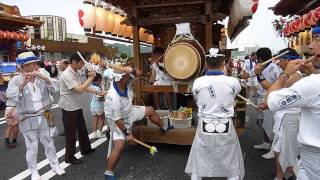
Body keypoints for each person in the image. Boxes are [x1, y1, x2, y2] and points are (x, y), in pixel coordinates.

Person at [263, 26, 320, 180]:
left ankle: (281, 175)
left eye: (316, 39)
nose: (310, 46)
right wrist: (312, 72)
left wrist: (285, 73)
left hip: (315, 161)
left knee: (284, 150)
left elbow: (271, 99)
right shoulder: (314, 80)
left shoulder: (312, 83)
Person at [104, 65, 172, 180]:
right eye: (129, 77)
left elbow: (140, 73)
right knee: (119, 146)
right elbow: (117, 120)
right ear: (121, 78)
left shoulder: (126, 82)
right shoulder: (113, 97)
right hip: (118, 121)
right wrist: (128, 134)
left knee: (150, 110)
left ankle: (164, 127)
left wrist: (132, 70)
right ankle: (108, 172)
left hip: (129, 111)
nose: (131, 79)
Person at [185, 48, 244, 180]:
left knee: (200, 155)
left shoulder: (198, 82)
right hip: (226, 123)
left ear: (206, 64)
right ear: (224, 63)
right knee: (230, 157)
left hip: (205, 122)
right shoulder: (233, 82)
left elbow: (196, 99)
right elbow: (234, 95)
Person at [6, 51, 65, 179]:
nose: (35, 66)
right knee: (32, 147)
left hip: (46, 114)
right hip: (28, 117)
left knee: (49, 142)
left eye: (35, 63)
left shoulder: (42, 74)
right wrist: (23, 84)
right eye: (31, 64)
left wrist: (45, 78)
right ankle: (34, 171)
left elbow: (56, 88)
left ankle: (55, 165)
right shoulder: (16, 80)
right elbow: (10, 97)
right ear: (23, 66)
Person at [59, 53, 99, 164]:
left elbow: (84, 86)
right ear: (73, 62)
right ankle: (69, 157)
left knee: (82, 129)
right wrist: (91, 78)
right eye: (81, 63)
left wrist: (96, 91)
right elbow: (80, 89)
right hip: (68, 107)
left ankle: (85, 149)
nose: (82, 66)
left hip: (76, 105)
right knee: (71, 133)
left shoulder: (75, 72)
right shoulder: (67, 74)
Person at [253, 48, 282, 159]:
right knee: (263, 122)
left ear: (260, 57)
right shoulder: (261, 66)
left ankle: (273, 149)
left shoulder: (274, 68)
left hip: (270, 98)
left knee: (271, 124)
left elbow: (272, 86)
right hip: (261, 97)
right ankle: (266, 143)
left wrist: (259, 74)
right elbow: (250, 75)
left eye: (257, 57)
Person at [90, 73, 107, 138]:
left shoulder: (91, 86)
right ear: (99, 80)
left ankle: (94, 134)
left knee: (95, 119)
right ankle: (100, 133)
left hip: (92, 104)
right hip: (98, 105)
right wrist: (104, 95)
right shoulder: (98, 88)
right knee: (102, 118)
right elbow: (100, 99)